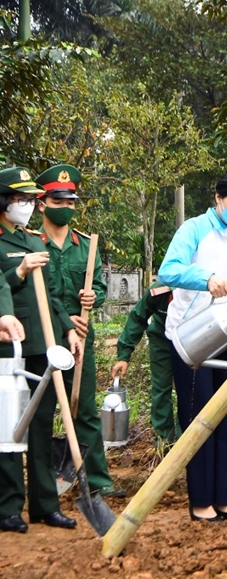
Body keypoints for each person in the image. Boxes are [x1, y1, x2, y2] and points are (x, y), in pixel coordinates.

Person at [158, 168, 227, 521]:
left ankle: (224, 497)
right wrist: (206, 279)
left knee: (226, 416)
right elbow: (168, 270)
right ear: (218, 199)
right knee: (198, 416)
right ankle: (201, 500)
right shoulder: (194, 230)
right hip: (192, 336)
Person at [0, 167, 82, 533]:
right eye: (20, 200)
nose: (27, 206)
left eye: (30, 200)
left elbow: (50, 295)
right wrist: (18, 273)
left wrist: (67, 328)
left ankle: (45, 505)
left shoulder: (34, 241)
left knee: (41, 425)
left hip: (43, 344)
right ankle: (8, 507)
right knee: (9, 428)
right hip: (9, 345)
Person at [34, 164, 122, 498]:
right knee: (40, 411)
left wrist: (94, 296)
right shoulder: (32, 243)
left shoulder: (87, 245)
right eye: (58, 201)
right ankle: (43, 484)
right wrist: (65, 322)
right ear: (42, 204)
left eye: (70, 202)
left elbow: (98, 285)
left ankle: (96, 480)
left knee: (84, 409)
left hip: (81, 338)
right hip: (42, 337)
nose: (66, 208)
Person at [110, 281, 176, 445]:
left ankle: (187, 440)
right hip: (162, 340)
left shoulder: (199, 288)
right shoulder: (159, 291)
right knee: (161, 388)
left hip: (192, 339)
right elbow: (138, 318)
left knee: (191, 389)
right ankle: (163, 439)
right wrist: (123, 356)